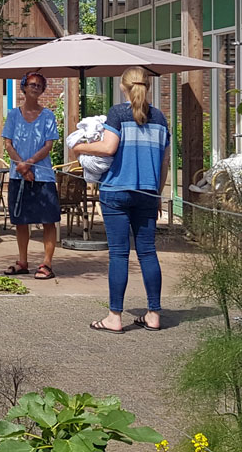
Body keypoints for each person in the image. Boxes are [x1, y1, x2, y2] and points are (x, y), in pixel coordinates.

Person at [70, 66, 171, 333]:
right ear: (146, 86)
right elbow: (165, 163)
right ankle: (153, 314)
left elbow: (108, 147)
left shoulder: (118, 113)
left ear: (122, 86)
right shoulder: (160, 118)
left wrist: (78, 147)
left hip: (116, 192)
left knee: (119, 254)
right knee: (148, 253)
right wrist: (158, 194)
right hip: (148, 193)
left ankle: (114, 317)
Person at [0, 71, 61, 279]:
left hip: (42, 176)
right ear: (24, 87)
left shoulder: (48, 116)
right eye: (32, 84)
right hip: (19, 175)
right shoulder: (13, 115)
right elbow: (7, 143)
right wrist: (22, 166)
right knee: (21, 220)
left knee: (48, 220)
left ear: (43, 90)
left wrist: (30, 164)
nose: (35, 88)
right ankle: (23, 261)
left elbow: (49, 145)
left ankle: (47, 263)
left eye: (39, 85)